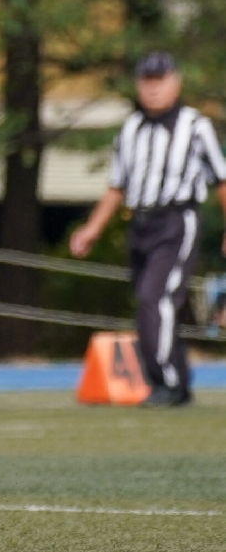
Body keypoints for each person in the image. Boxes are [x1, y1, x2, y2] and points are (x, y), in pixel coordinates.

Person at [70, 51, 226, 407]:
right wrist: (92, 228)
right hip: (140, 221)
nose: (154, 89)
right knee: (149, 305)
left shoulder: (195, 125)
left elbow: (222, 179)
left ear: (176, 82)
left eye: (161, 80)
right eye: (147, 81)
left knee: (155, 299)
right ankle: (172, 381)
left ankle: (169, 384)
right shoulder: (131, 129)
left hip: (177, 220)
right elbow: (116, 185)